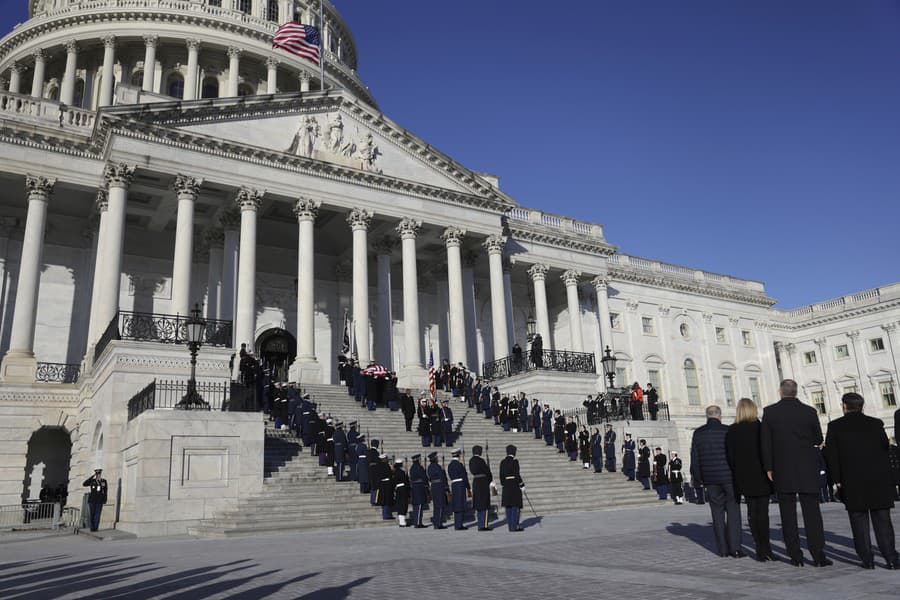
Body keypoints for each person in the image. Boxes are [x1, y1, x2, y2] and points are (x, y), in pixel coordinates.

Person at [825, 392, 899, 569]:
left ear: (844, 406)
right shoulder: (876, 423)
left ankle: (867, 558)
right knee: (882, 520)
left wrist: (836, 480)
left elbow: (831, 456)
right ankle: (891, 557)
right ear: (862, 406)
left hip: (852, 480)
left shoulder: (835, 426)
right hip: (878, 479)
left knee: (858, 521)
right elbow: (884, 450)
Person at [761, 379, 830, 567]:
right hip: (807, 467)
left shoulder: (770, 412)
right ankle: (818, 555)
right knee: (812, 513)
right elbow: (818, 438)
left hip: (783, 468)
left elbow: (765, 443)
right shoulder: (809, 411)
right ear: (796, 392)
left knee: (787, 514)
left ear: (781, 392)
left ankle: (795, 555)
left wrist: (768, 467)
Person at [691, 405, 743, 558]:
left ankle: (722, 549)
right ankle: (735, 548)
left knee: (717, 513)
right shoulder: (727, 431)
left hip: (710, 479)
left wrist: (698, 478)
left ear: (707, 416)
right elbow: (734, 456)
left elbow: (695, 458)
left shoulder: (698, 433)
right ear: (720, 416)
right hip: (729, 478)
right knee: (733, 513)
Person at [726, 398, 774, 561]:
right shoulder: (760, 428)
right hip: (761, 476)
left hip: (744, 477)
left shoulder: (732, 430)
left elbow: (730, 457)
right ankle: (766, 548)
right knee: (763, 514)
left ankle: (760, 549)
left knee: (752, 514)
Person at [499, 444, 525, 532]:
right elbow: (517, 474)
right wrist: (522, 485)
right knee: (515, 506)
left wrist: (504, 484)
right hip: (514, 485)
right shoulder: (515, 461)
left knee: (508, 507)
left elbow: (501, 476)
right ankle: (514, 526)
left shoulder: (502, 462)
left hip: (506, 485)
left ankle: (510, 526)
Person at [469, 445, 493, 531]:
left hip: (476, 482)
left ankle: (480, 524)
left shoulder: (471, 460)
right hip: (483, 482)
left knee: (479, 505)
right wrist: (490, 478)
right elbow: (487, 471)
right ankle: (484, 525)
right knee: (484, 504)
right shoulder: (481, 460)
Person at [447, 448, 471, 530]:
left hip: (454, 484)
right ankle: (459, 524)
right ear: (459, 455)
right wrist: (468, 487)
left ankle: (457, 523)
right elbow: (464, 476)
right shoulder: (459, 465)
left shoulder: (450, 465)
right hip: (460, 484)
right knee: (460, 504)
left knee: (456, 504)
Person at [427, 451, 449, 529]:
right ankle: (438, 523)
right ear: (435, 458)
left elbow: (429, 478)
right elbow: (442, 477)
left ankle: (436, 522)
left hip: (433, 486)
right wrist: (446, 487)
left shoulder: (429, 467)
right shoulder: (437, 466)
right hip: (439, 486)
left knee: (436, 505)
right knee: (440, 505)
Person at [408, 454, 429, 528]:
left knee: (416, 506)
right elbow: (424, 477)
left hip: (414, 487)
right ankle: (418, 523)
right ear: (418, 460)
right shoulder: (419, 467)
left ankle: (417, 522)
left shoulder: (412, 468)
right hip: (419, 487)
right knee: (420, 505)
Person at [373, 454, 394, 520]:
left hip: (381, 484)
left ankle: (387, 514)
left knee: (384, 500)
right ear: (384, 459)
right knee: (387, 500)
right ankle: (387, 515)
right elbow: (389, 474)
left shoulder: (378, 466)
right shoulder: (386, 465)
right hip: (386, 484)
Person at [393, 459, 410, 527]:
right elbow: (405, 481)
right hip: (403, 489)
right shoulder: (401, 472)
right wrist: (406, 474)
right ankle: (402, 522)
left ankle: (402, 521)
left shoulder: (394, 472)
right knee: (403, 504)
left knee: (400, 505)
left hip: (398, 489)